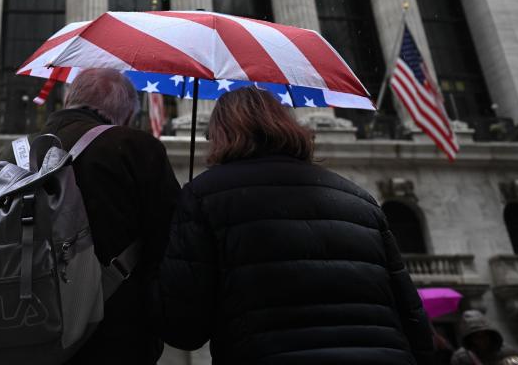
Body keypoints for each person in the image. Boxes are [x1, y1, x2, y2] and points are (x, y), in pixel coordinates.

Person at [154, 86, 434, 364]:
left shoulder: (204, 197)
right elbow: (413, 319)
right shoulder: (361, 200)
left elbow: (184, 329)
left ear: (221, 134)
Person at [0, 68, 181, 364]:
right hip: (114, 350)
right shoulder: (137, 151)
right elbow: (172, 261)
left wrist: (0, 347)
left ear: (68, 98)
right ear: (126, 116)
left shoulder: (2, 161)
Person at [451, 310, 518, 365]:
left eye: (484, 335)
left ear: (490, 334)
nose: (481, 340)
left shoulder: (507, 352)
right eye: (476, 337)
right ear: (470, 338)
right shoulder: (460, 357)